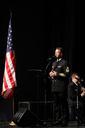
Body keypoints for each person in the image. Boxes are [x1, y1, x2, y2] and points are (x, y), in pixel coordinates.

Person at [49, 47, 70, 126]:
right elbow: (53, 73)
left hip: (61, 87)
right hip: (54, 86)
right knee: (56, 105)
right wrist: (51, 75)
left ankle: (65, 121)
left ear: (61, 54)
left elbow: (67, 74)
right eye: (55, 52)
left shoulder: (64, 62)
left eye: (57, 52)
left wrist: (57, 74)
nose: (56, 53)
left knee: (63, 104)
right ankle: (57, 120)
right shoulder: (53, 63)